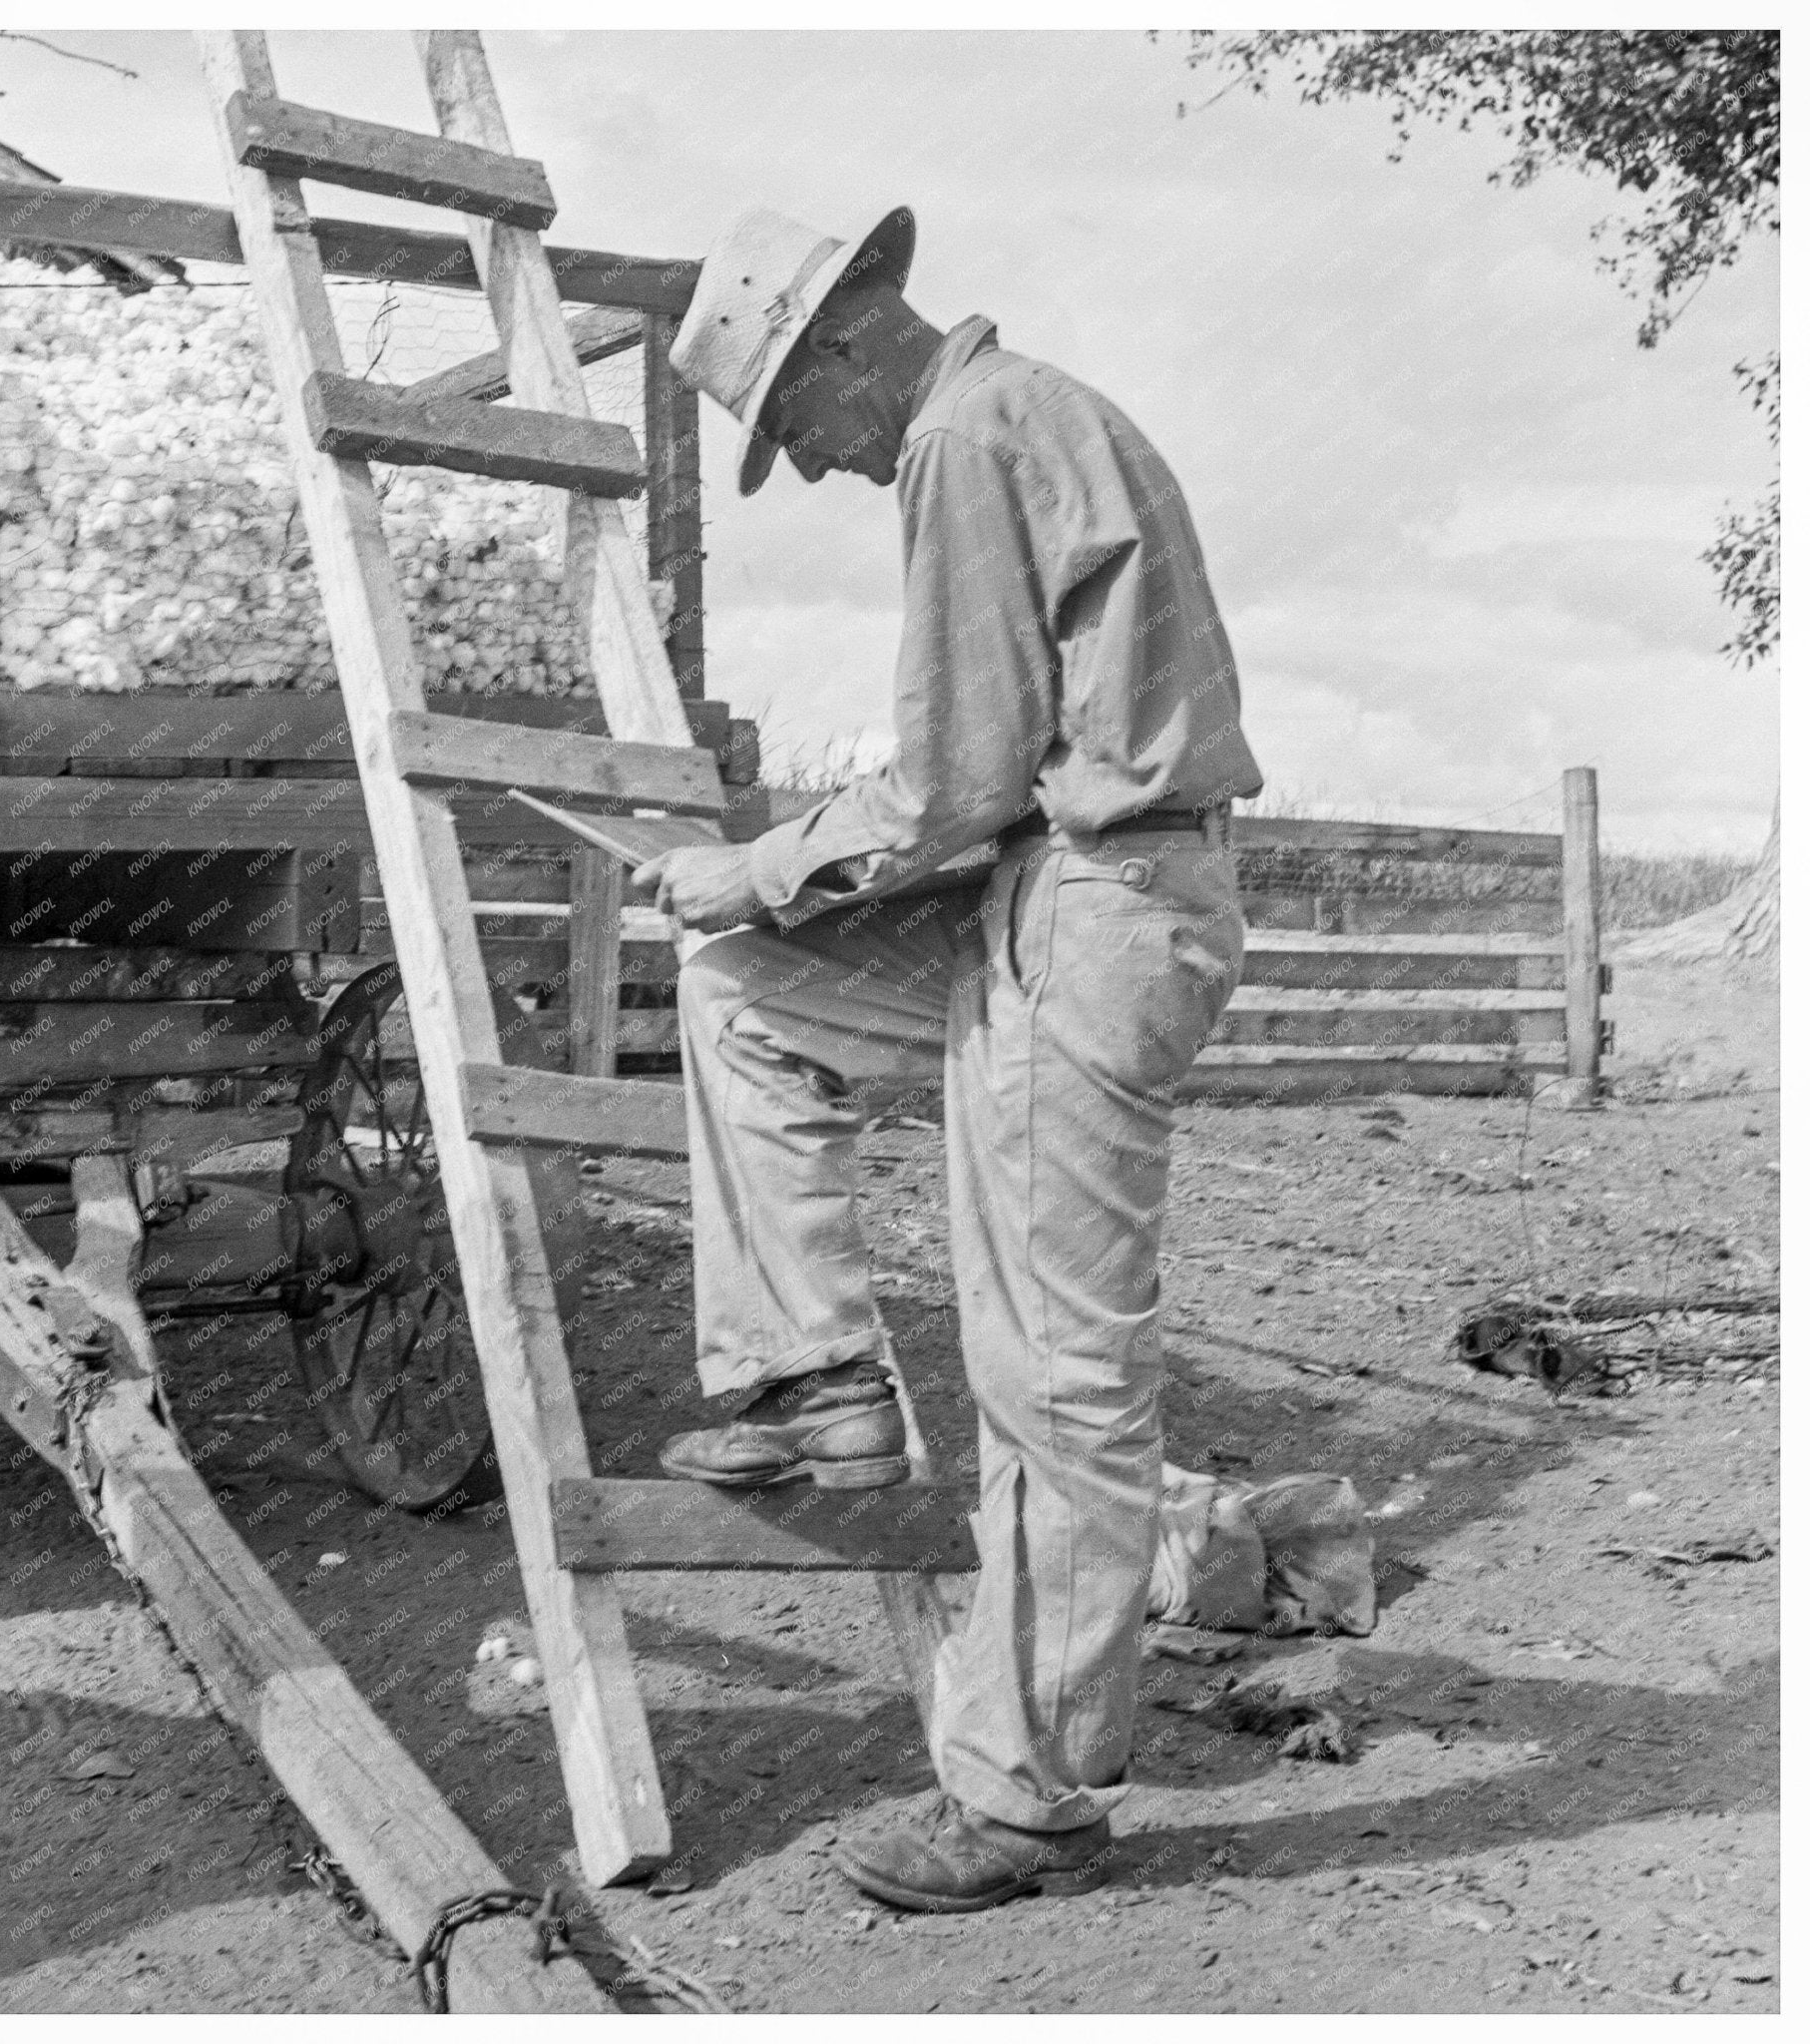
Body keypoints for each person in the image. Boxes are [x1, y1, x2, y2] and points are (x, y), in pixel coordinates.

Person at [634, 204, 1264, 1913]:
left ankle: (1029, 1796)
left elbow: (951, 783)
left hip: (1098, 901)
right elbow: (978, 786)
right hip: (1053, 892)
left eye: (791, 431)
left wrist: (746, 861)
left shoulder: (959, 435)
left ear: (841, 343)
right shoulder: (1018, 416)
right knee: (749, 991)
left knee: (1055, 1371)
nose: (814, 466)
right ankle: (810, 1367)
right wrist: (758, 906)